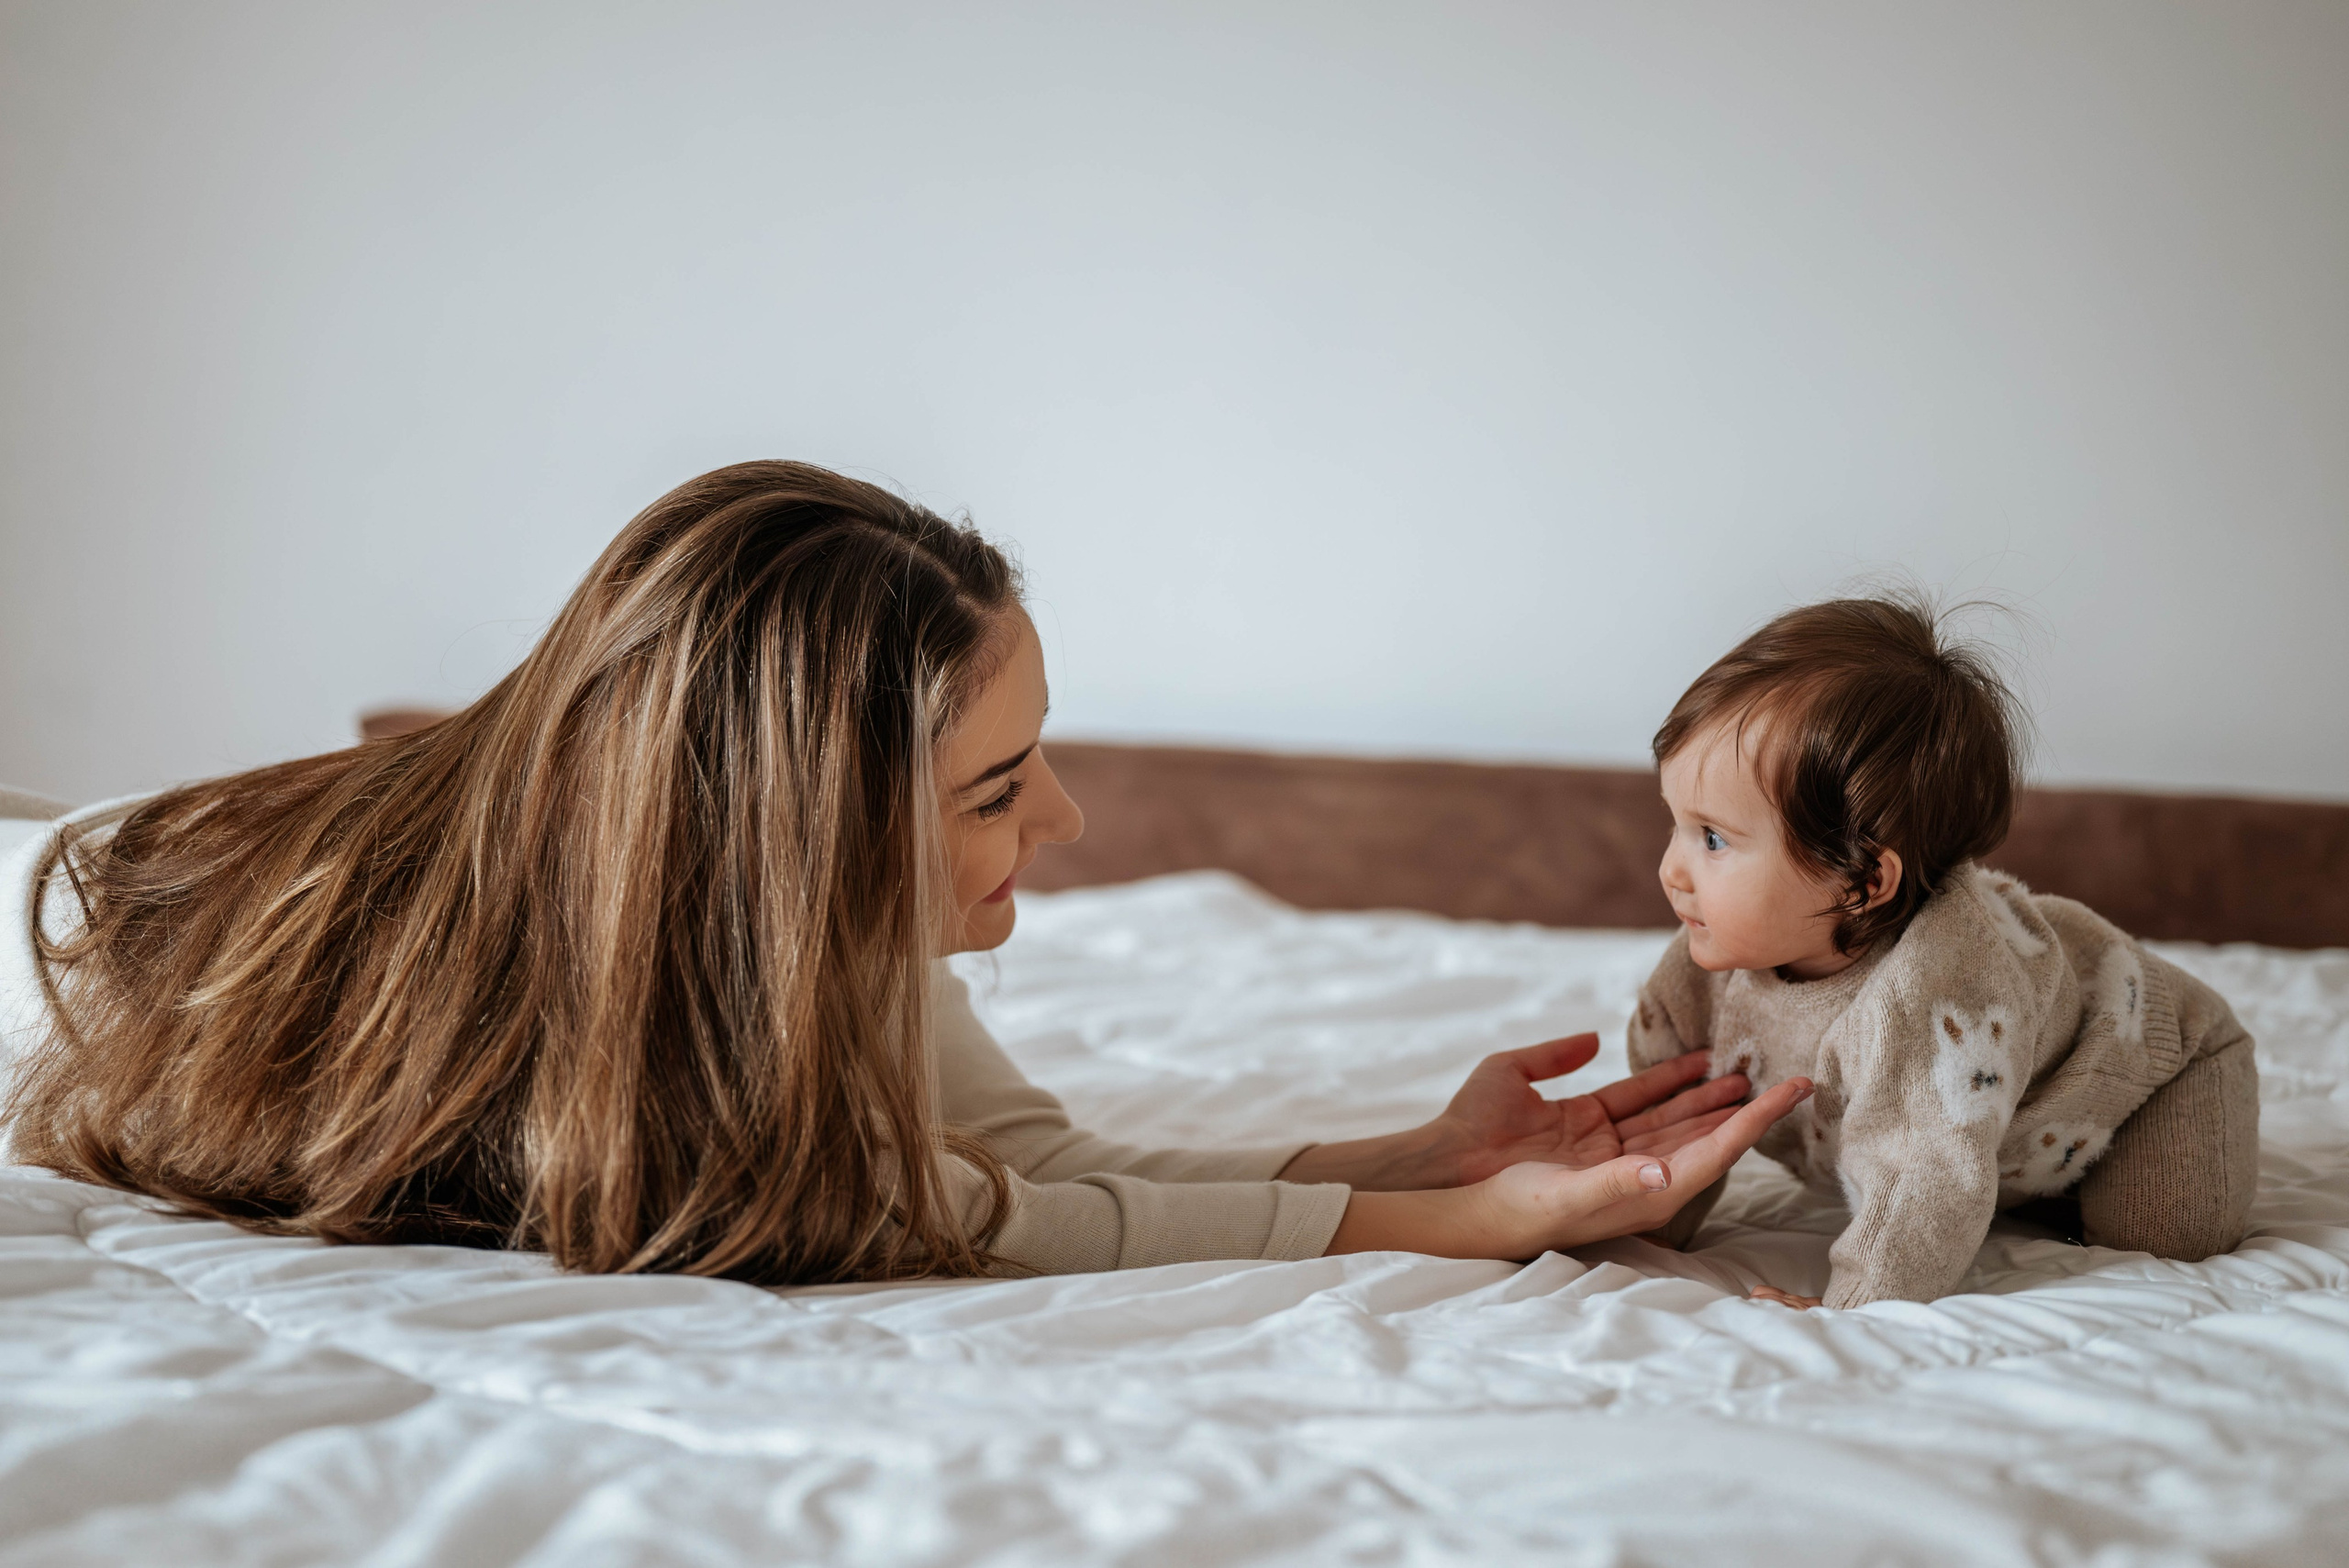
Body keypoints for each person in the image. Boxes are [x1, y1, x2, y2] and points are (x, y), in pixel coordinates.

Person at [0, 461, 1809, 1286]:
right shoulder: (664, 1018)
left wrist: (1404, 1153)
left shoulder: (788, 910)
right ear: (791, 841)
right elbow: (958, 1217)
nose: (1072, 824)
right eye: (999, 785)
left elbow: (1017, 1158)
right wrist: (1459, 1226)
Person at [1626, 596, 2259, 1309]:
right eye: (1675, 824)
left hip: (2162, 1068)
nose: (1671, 869)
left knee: (2156, 1236)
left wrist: (1858, 1307)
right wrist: (1643, 1220)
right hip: (2016, 1118)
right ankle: (2015, 1166)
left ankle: (2049, 1172)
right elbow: (1672, 1107)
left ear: (1865, 880)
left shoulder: (1932, 996)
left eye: (1712, 838)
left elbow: (1925, 1179)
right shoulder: (1709, 952)